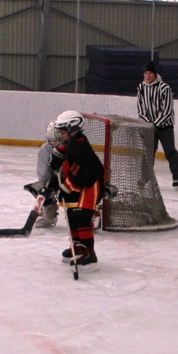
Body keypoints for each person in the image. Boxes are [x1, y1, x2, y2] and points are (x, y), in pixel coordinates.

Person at [50, 111, 105, 270]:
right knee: (71, 214)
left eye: (63, 132)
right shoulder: (73, 143)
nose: (61, 135)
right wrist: (58, 153)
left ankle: (89, 253)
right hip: (82, 183)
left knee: (81, 216)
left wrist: (65, 188)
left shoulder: (81, 148)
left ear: (73, 129)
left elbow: (80, 177)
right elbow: (66, 153)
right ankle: (78, 246)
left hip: (92, 184)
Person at [136, 60, 178, 187]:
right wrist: (149, 124)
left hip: (165, 126)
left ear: (155, 74)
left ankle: (177, 177)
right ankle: (144, 177)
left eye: (150, 73)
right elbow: (141, 110)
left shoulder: (164, 88)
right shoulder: (141, 88)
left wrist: (156, 125)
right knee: (148, 152)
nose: (147, 76)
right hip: (150, 127)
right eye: (145, 73)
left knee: (170, 151)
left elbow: (167, 110)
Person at [26, 120, 60, 228]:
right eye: (51, 140)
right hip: (56, 178)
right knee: (40, 187)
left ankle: (89, 213)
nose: (53, 143)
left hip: (71, 179)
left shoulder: (73, 148)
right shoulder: (45, 150)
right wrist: (44, 189)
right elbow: (44, 174)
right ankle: (49, 213)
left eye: (56, 140)